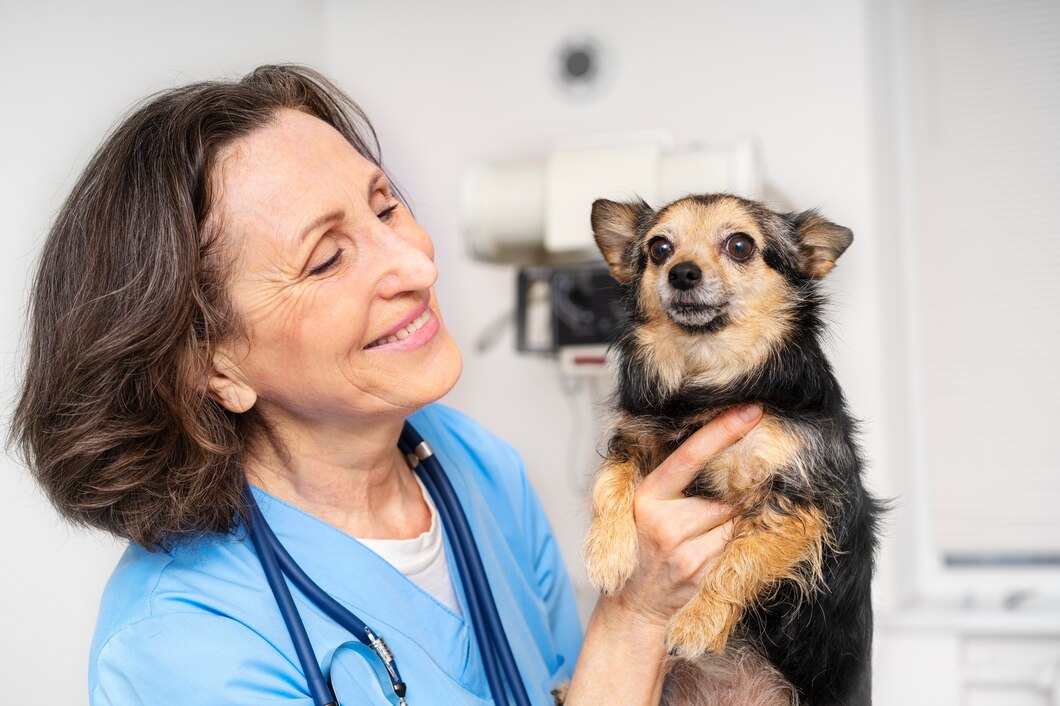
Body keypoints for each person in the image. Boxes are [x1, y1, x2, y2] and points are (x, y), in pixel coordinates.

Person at [12, 65, 762, 705]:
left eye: (385, 206)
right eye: (327, 259)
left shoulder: (479, 470)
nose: (415, 267)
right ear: (213, 365)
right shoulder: (180, 643)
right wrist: (633, 616)